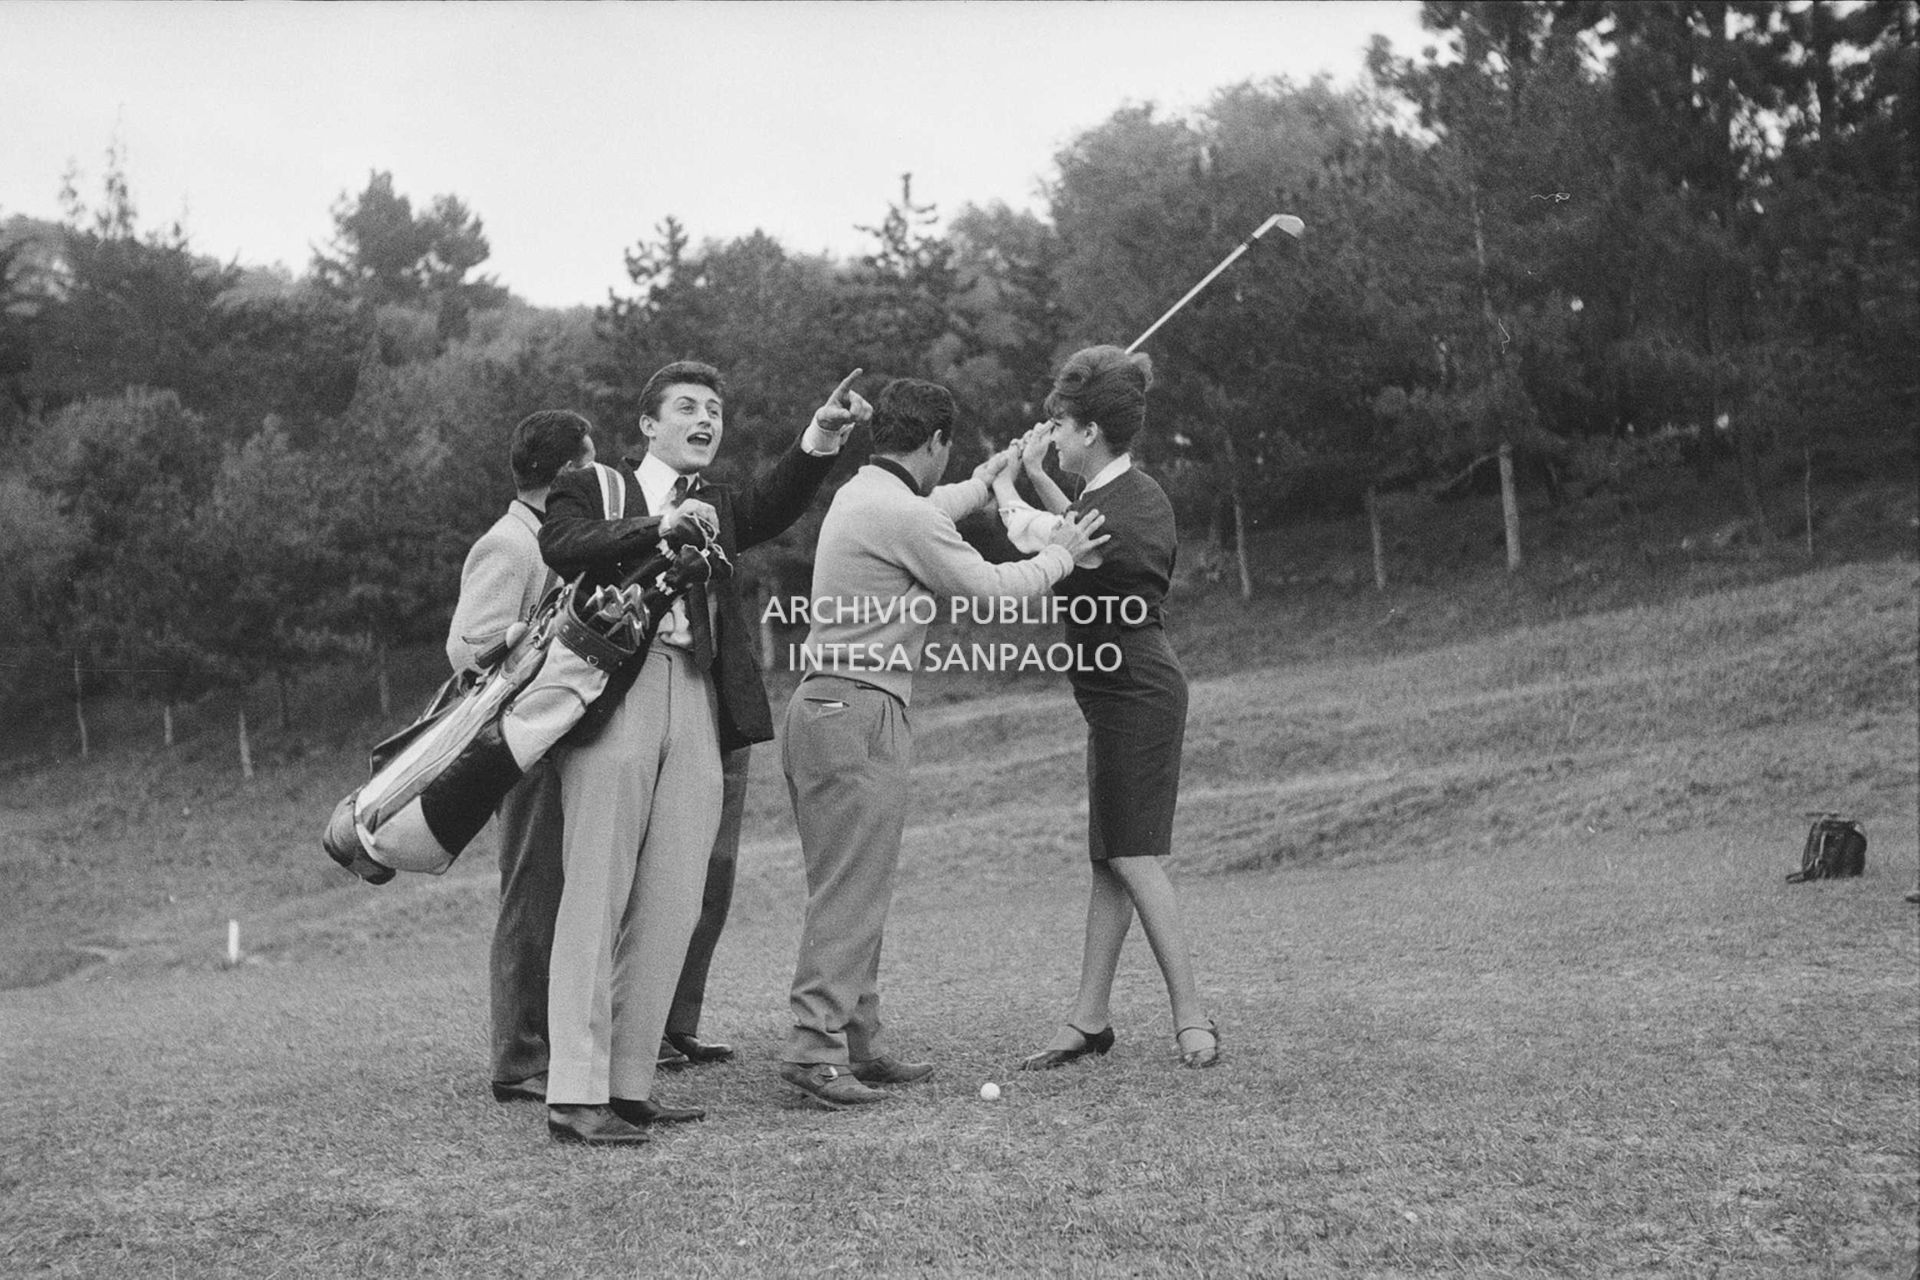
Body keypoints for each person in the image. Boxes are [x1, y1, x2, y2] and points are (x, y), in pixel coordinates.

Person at [536, 361, 867, 1145]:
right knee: (595, 891)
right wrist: (660, 527)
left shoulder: (716, 502)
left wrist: (820, 436)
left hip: (697, 693)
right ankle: (574, 1093)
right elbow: (563, 543)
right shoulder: (597, 488)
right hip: (614, 691)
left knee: (677, 898)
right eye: (687, 406)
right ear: (648, 425)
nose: (705, 419)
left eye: (715, 408)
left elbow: (772, 504)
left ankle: (627, 1084)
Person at [780, 377, 1107, 1109]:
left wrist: (991, 475)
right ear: (934, 441)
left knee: (858, 883)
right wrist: (1063, 553)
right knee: (849, 888)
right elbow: (991, 589)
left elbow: (941, 504)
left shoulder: (868, 492)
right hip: (857, 711)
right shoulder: (901, 514)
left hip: (834, 707)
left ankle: (856, 1041)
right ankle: (814, 1049)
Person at [992, 345, 1222, 1072]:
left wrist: (1003, 486)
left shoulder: (1121, 509)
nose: (1054, 437)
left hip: (1137, 691)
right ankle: (1089, 1020)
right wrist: (1034, 471)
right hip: (1114, 691)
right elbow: (1076, 520)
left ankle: (1192, 1016)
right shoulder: (1124, 494)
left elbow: (1045, 538)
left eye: (1061, 426)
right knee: (1110, 857)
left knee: (1132, 854)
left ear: (1089, 431)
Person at [444, 409, 593, 1107]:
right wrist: (527, 641)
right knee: (532, 893)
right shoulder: (508, 544)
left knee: (556, 891)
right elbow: (467, 646)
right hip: (522, 740)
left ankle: (549, 1044)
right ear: (566, 471)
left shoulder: (550, 538)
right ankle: (519, 1058)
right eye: (588, 462)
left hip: (556, 733)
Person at [658, 745, 749, 1070]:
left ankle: (678, 1023)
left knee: (717, 867)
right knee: (662, 861)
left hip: (733, 720)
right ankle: (641, 1025)